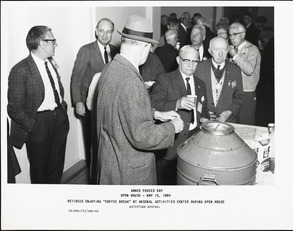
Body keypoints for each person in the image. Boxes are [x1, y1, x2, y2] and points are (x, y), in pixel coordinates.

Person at [95, 15, 184, 185]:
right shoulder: (132, 81)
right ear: (145, 46)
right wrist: (172, 127)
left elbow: (121, 109)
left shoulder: (110, 68)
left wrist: (155, 114)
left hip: (111, 161)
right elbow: (142, 137)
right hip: (129, 170)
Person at [7, 25, 69, 184]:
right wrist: (33, 126)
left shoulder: (50, 63)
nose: (55, 44)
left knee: (56, 166)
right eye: (52, 41)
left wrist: (63, 110)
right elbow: (13, 107)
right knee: (40, 171)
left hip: (59, 119)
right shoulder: (20, 69)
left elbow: (56, 89)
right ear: (42, 43)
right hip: (38, 124)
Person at [150, 45, 210, 185]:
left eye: (195, 61)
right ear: (178, 60)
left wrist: (205, 118)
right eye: (187, 60)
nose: (191, 65)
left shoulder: (201, 84)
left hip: (193, 142)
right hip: (171, 145)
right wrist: (177, 103)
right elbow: (153, 104)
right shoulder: (164, 79)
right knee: (167, 183)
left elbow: (204, 107)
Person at [70, 18, 119, 184]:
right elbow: (77, 77)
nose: (105, 35)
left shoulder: (116, 51)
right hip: (90, 106)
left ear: (112, 33)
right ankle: (93, 180)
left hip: (111, 106)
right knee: (93, 143)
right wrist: (78, 101)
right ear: (96, 31)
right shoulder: (86, 50)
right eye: (102, 31)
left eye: (109, 31)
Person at [194, 37, 244, 123]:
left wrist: (230, 111)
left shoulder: (235, 70)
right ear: (210, 51)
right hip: (204, 120)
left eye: (224, 49)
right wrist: (202, 114)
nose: (220, 54)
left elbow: (239, 95)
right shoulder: (199, 68)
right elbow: (193, 93)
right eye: (217, 49)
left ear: (228, 50)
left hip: (228, 120)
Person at [228, 22, 261, 125]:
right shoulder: (231, 49)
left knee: (246, 125)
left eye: (234, 34)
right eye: (229, 35)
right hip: (232, 92)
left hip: (246, 92)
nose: (231, 37)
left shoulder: (252, 49)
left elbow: (249, 70)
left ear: (243, 34)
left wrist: (235, 56)